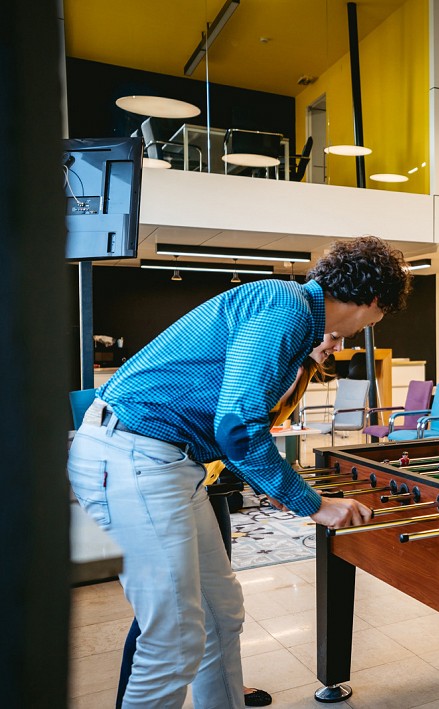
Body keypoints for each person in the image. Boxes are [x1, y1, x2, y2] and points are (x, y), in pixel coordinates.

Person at [67, 237, 412, 708]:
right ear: (375, 301)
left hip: (166, 460)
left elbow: (224, 416)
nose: (372, 323)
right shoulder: (287, 309)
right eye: (381, 313)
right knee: (174, 637)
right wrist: (316, 505)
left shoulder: (288, 306)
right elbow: (237, 423)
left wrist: (270, 482)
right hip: (136, 455)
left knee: (220, 612)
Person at [114, 334, 344, 708]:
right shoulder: (270, 359)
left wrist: (264, 482)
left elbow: (242, 437)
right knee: (165, 612)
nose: (336, 340)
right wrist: (297, 496)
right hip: (170, 473)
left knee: (217, 602)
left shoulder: (301, 373)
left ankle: (226, 684)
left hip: (207, 480)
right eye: (330, 333)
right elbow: (233, 427)